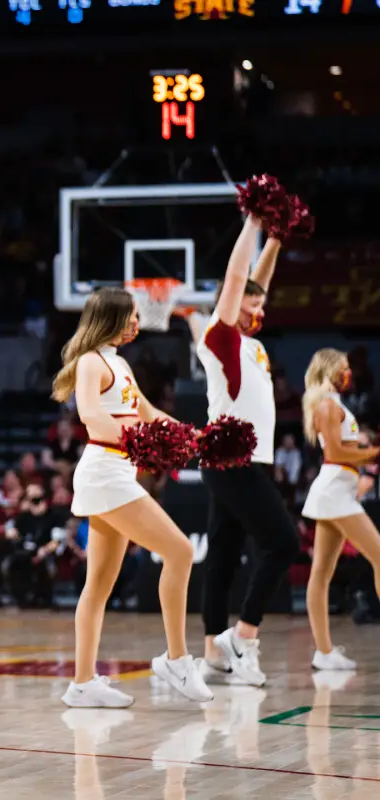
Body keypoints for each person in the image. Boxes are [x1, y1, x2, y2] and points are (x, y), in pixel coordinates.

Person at [52, 287, 210, 708]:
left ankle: (82, 683)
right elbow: (91, 415)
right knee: (179, 551)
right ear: (111, 318)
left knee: (98, 586)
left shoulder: (119, 363)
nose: (138, 322)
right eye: (132, 316)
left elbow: (147, 412)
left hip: (117, 471)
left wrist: (191, 436)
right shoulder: (91, 361)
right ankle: (176, 660)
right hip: (105, 471)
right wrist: (139, 438)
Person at [195, 219, 299, 687]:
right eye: (251, 304)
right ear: (231, 302)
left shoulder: (253, 345)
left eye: (261, 305)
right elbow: (239, 278)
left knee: (222, 556)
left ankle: (213, 656)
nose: (259, 309)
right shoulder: (220, 337)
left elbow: (257, 279)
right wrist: (253, 223)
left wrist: (275, 237)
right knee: (283, 543)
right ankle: (243, 638)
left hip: (246, 461)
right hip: (229, 460)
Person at [300, 349, 380, 670]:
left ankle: (324, 652)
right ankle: (323, 651)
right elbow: (335, 452)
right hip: (335, 489)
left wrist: (368, 450)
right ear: (330, 370)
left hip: (339, 488)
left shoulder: (334, 404)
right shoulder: (327, 405)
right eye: (344, 368)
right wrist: (373, 454)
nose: (349, 373)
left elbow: (346, 449)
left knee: (321, 573)